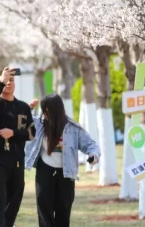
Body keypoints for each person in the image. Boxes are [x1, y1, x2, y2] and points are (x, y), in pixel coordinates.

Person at [25, 94, 100, 227]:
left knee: (63, 214)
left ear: (56, 110)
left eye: (47, 111)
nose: (45, 114)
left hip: (66, 174)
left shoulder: (73, 128)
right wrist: (29, 108)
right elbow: (24, 122)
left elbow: (90, 144)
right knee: (44, 212)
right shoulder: (40, 124)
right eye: (43, 110)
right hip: (45, 172)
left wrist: (93, 154)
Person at [0, 67, 35, 227]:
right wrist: (1, 81)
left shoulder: (23, 107)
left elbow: (31, 133)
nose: (9, 83)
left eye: (11, 80)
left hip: (17, 161)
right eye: (5, 80)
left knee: (15, 199)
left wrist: (12, 133)